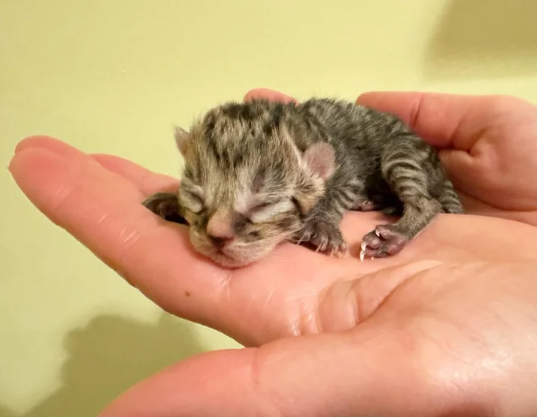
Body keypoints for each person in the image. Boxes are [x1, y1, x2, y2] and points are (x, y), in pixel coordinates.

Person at [9, 88, 537, 416]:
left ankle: (414, 215)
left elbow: (341, 183)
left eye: (257, 207)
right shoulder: (234, 191)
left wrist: (326, 216)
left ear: (315, 171)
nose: (217, 231)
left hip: (378, 165)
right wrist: (183, 202)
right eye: (200, 198)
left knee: (403, 169)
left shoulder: (323, 164)